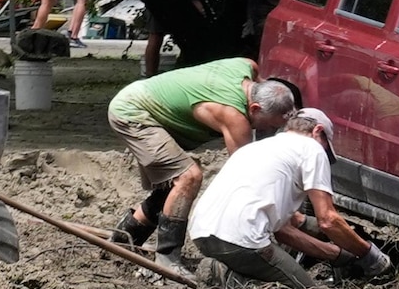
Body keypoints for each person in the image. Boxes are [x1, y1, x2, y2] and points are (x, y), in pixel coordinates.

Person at [106, 58, 298, 276]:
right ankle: (167, 258)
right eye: (271, 126)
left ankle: (123, 239)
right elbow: (247, 173)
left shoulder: (246, 66)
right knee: (188, 177)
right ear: (254, 108)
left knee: (172, 187)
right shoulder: (234, 117)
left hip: (143, 99)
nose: (270, 131)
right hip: (133, 112)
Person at [190, 108, 391, 289]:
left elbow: (285, 232)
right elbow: (328, 220)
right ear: (317, 131)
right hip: (241, 240)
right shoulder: (312, 148)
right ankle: (227, 279)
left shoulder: (258, 148)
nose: (325, 154)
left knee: (280, 272)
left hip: (202, 235)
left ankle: (224, 269)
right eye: (326, 147)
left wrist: (337, 255)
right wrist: (369, 254)